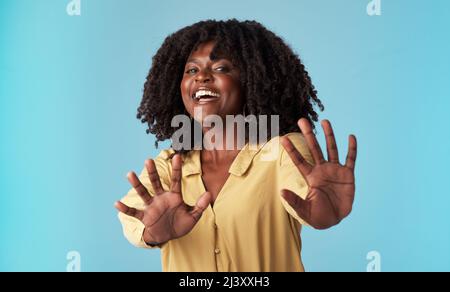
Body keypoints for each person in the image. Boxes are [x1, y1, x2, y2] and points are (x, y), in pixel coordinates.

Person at [115, 19, 357, 272]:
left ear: (252, 80)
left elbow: (309, 198)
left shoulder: (283, 151)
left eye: (221, 68)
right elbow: (134, 218)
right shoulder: (168, 165)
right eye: (191, 70)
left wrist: (322, 212)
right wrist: (151, 233)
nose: (202, 77)